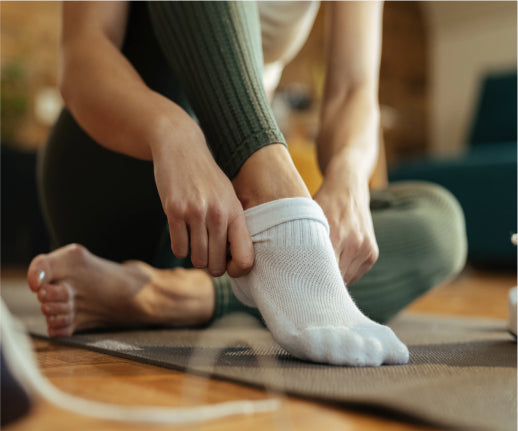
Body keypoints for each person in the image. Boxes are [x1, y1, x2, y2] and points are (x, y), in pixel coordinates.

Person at [27, 1, 466, 366]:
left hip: (231, 232)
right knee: (288, 223)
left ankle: (170, 297)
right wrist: (173, 133)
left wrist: (348, 177)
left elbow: (353, 90)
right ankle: (278, 210)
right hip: (125, 169)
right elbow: (83, 53)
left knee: (438, 221)